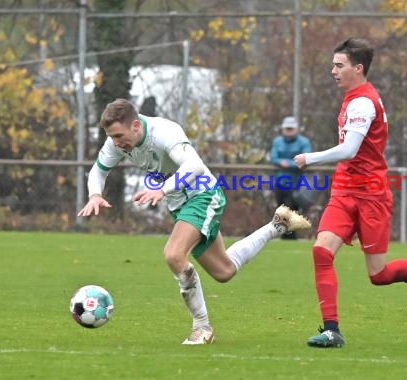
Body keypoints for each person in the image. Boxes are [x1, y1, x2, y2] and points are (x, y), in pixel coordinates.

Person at [78, 99, 311, 345]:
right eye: (111, 137)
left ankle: (202, 328)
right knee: (224, 271)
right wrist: (95, 194)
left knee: (174, 255)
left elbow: (195, 166)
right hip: (180, 204)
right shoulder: (118, 141)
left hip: (202, 195)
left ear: (136, 125)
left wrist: (162, 190)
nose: (115, 142)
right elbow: (98, 170)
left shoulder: (164, 132)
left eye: (118, 136)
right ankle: (277, 226)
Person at [294, 38, 407, 348]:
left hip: (371, 195)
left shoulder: (362, 102)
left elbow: (349, 149)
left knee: (379, 274)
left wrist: (310, 158)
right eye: (333, 64)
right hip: (345, 190)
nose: (332, 70)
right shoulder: (351, 97)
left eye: (339, 65)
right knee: (321, 251)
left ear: (357, 69)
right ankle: (332, 330)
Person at [270, 116, 312, 239]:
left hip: (296, 183)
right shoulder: (277, 141)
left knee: (291, 209)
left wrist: (287, 163)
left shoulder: (304, 142)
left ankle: (291, 236)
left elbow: (305, 159)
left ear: (296, 129)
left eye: (291, 129)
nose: (289, 131)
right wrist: (292, 163)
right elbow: (274, 158)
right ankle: (283, 235)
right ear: (283, 129)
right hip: (280, 181)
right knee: (280, 209)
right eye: (287, 128)